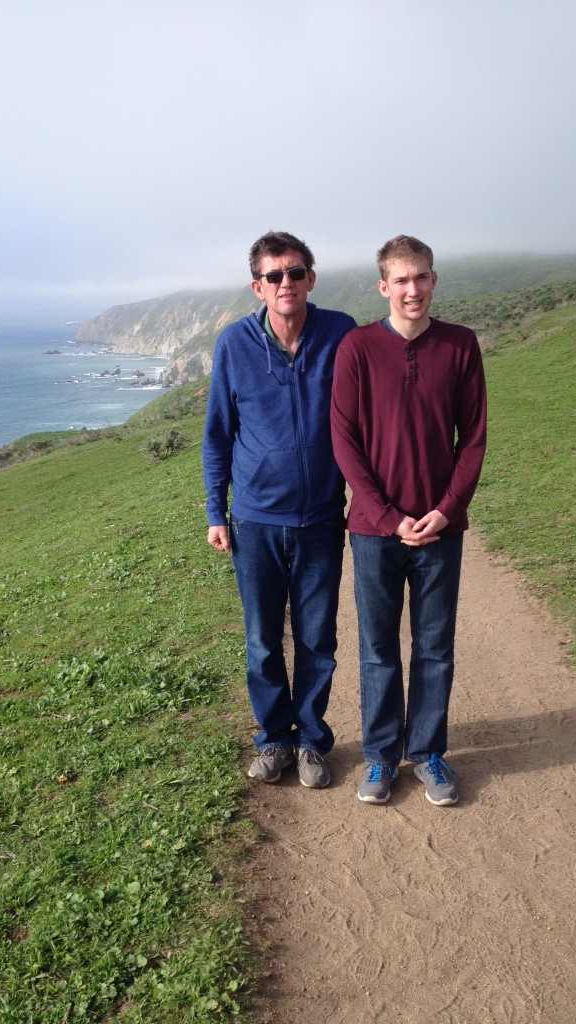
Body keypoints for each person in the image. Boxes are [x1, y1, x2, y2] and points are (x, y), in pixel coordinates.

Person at [331, 234, 487, 806]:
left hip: (441, 529)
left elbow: (472, 440)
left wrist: (446, 511)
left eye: (421, 277)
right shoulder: (357, 348)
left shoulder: (461, 345)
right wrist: (390, 516)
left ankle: (427, 752)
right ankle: (379, 757)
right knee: (377, 648)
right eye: (401, 280)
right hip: (375, 531)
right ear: (383, 287)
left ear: (433, 280)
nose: (412, 289)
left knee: (434, 645)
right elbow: (344, 441)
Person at [203, 231, 356, 789]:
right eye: (274, 276)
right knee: (264, 640)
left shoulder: (341, 332)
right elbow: (219, 434)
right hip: (255, 521)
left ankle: (312, 741)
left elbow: (367, 415)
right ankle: (273, 739)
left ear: (310, 278)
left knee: (317, 639)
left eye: (295, 272)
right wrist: (215, 512)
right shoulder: (234, 344)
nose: (285, 283)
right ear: (258, 286)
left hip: (319, 519)